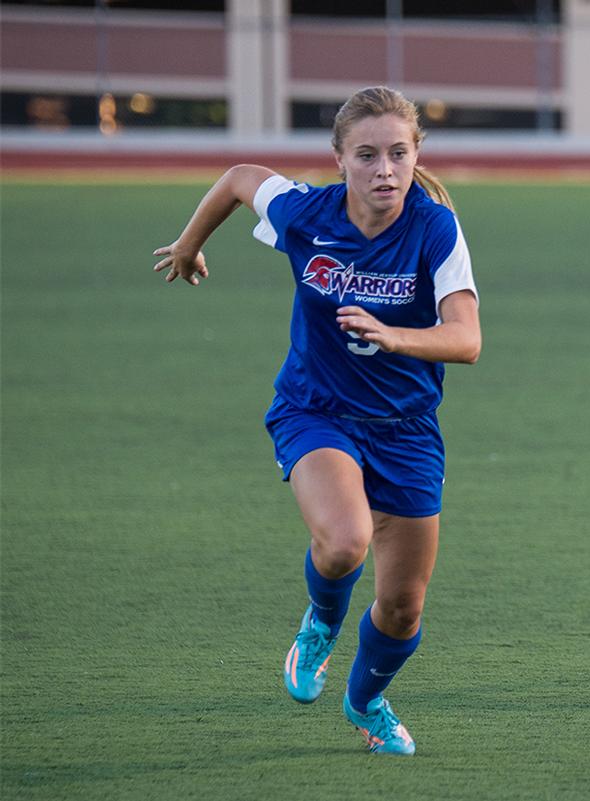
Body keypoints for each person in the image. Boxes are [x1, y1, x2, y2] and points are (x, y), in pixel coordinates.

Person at [153, 86, 481, 754]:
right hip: (317, 409)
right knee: (343, 542)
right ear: (339, 160)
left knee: (403, 605)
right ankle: (320, 624)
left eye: (398, 153)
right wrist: (189, 244)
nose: (384, 169)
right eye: (367, 155)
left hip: (407, 427)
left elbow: (467, 338)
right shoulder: (307, 213)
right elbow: (241, 178)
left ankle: (366, 702)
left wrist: (396, 337)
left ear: (418, 154)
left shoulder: (435, 227)